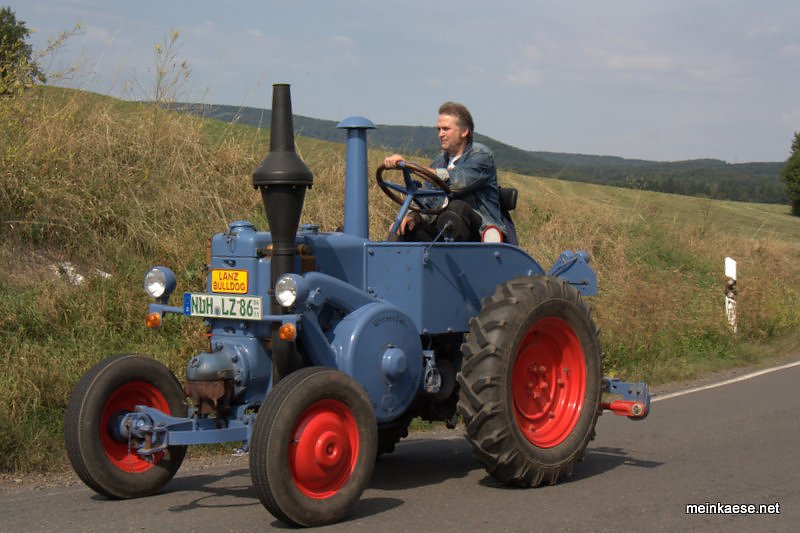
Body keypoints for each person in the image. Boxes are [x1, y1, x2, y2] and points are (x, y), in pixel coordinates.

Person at [383, 102, 506, 242]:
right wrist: (414, 216)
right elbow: (427, 199)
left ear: (464, 131)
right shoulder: (440, 161)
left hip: (478, 234)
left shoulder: (481, 156)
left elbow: (456, 181)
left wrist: (409, 166)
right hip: (445, 228)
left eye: (446, 129)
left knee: (456, 207)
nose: (441, 134)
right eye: (439, 129)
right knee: (406, 228)